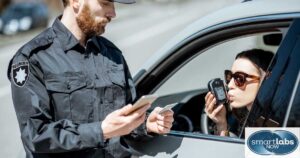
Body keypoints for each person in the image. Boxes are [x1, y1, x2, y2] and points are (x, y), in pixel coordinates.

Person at [7, 0, 174, 158]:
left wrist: (145, 124)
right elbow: (36, 135)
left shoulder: (112, 54)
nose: (113, 13)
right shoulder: (32, 59)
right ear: (76, 2)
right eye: (105, 3)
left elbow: (124, 117)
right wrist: (101, 130)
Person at [204, 49, 274, 136]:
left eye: (240, 78)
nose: (229, 85)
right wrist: (221, 123)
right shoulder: (245, 117)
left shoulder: (276, 123)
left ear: (265, 79)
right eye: (229, 76)